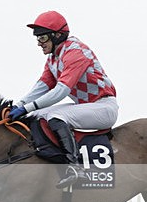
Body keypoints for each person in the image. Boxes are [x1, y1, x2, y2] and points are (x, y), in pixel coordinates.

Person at [9, 10, 118, 189]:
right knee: (36, 115)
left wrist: (26, 108)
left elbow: (61, 91)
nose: (39, 43)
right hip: (86, 107)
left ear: (58, 35)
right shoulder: (53, 58)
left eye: (42, 38)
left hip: (103, 107)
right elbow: (42, 86)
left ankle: (74, 167)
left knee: (56, 116)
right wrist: (19, 105)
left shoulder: (76, 51)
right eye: (37, 39)